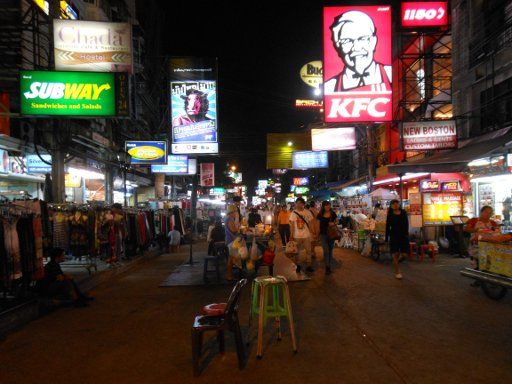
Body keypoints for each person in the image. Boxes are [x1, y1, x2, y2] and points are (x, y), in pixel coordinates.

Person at [324, 10, 392, 93]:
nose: (356, 48)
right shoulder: (329, 88)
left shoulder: (392, 74)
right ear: (338, 47)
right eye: (347, 41)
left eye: (362, 39)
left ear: (373, 41)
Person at [464, 206, 499, 271]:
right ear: (481, 212)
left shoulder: (493, 223)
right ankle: (478, 277)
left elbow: (497, 232)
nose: (488, 214)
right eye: (486, 212)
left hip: (489, 246)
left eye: (490, 213)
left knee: (488, 263)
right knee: (476, 263)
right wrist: (475, 230)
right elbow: (466, 229)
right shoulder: (474, 220)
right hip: (476, 246)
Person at [289, 197, 315, 273]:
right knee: (297, 251)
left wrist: (312, 232)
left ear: (303, 204)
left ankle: (309, 266)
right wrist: (291, 235)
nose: (298, 204)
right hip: (297, 236)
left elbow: (310, 223)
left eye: (300, 203)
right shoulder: (293, 213)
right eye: (297, 203)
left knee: (309, 251)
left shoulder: (307, 212)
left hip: (306, 235)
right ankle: (298, 266)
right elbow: (292, 225)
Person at [385, 199, 409, 280]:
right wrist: (386, 238)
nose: (395, 205)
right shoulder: (390, 214)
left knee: (405, 255)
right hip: (394, 236)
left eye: (397, 204)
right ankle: (397, 272)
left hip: (403, 236)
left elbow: (407, 224)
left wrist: (406, 234)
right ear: (391, 206)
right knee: (395, 254)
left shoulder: (403, 212)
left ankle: (396, 263)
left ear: (399, 205)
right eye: (393, 204)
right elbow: (387, 227)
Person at [317, 201, 338, 275]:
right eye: (326, 205)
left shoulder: (333, 213)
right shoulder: (320, 214)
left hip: (331, 234)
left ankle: (328, 266)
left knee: (330, 250)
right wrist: (316, 234)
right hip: (323, 235)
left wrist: (334, 223)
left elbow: (337, 221)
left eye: (329, 205)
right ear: (323, 206)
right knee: (326, 250)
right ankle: (327, 267)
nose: (328, 207)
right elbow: (318, 225)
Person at [225, 204, 241, 281]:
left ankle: (230, 275)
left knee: (231, 258)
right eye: (235, 211)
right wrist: (238, 228)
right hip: (231, 240)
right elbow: (233, 230)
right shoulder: (230, 219)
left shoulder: (228, 218)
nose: (236, 213)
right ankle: (229, 276)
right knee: (231, 259)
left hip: (230, 240)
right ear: (232, 211)